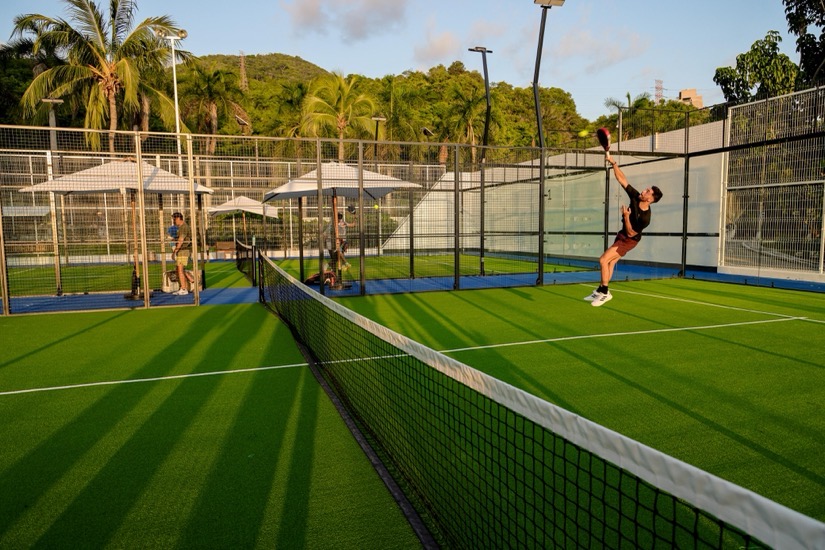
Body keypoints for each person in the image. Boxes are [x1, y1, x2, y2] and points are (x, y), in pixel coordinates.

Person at [586, 156, 663, 307]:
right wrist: (613, 162)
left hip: (629, 240)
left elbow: (630, 233)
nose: (644, 190)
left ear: (650, 199)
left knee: (603, 260)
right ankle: (601, 289)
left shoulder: (645, 218)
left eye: (648, 191)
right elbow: (622, 179)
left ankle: (605, 292)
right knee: (611, 262)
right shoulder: (636, 197)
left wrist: (626, 216)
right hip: (623, 234)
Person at [171, 212, 194, 295]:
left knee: (180, 270)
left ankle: (184, 289)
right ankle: (190, 280)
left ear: (178, 218)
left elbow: (181, 240)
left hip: (183, 251)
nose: (173, 221)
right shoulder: (181, 227)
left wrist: (175, 251)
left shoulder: (183, 227)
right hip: (182, 250)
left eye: (174, 219)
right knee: (179, 269)